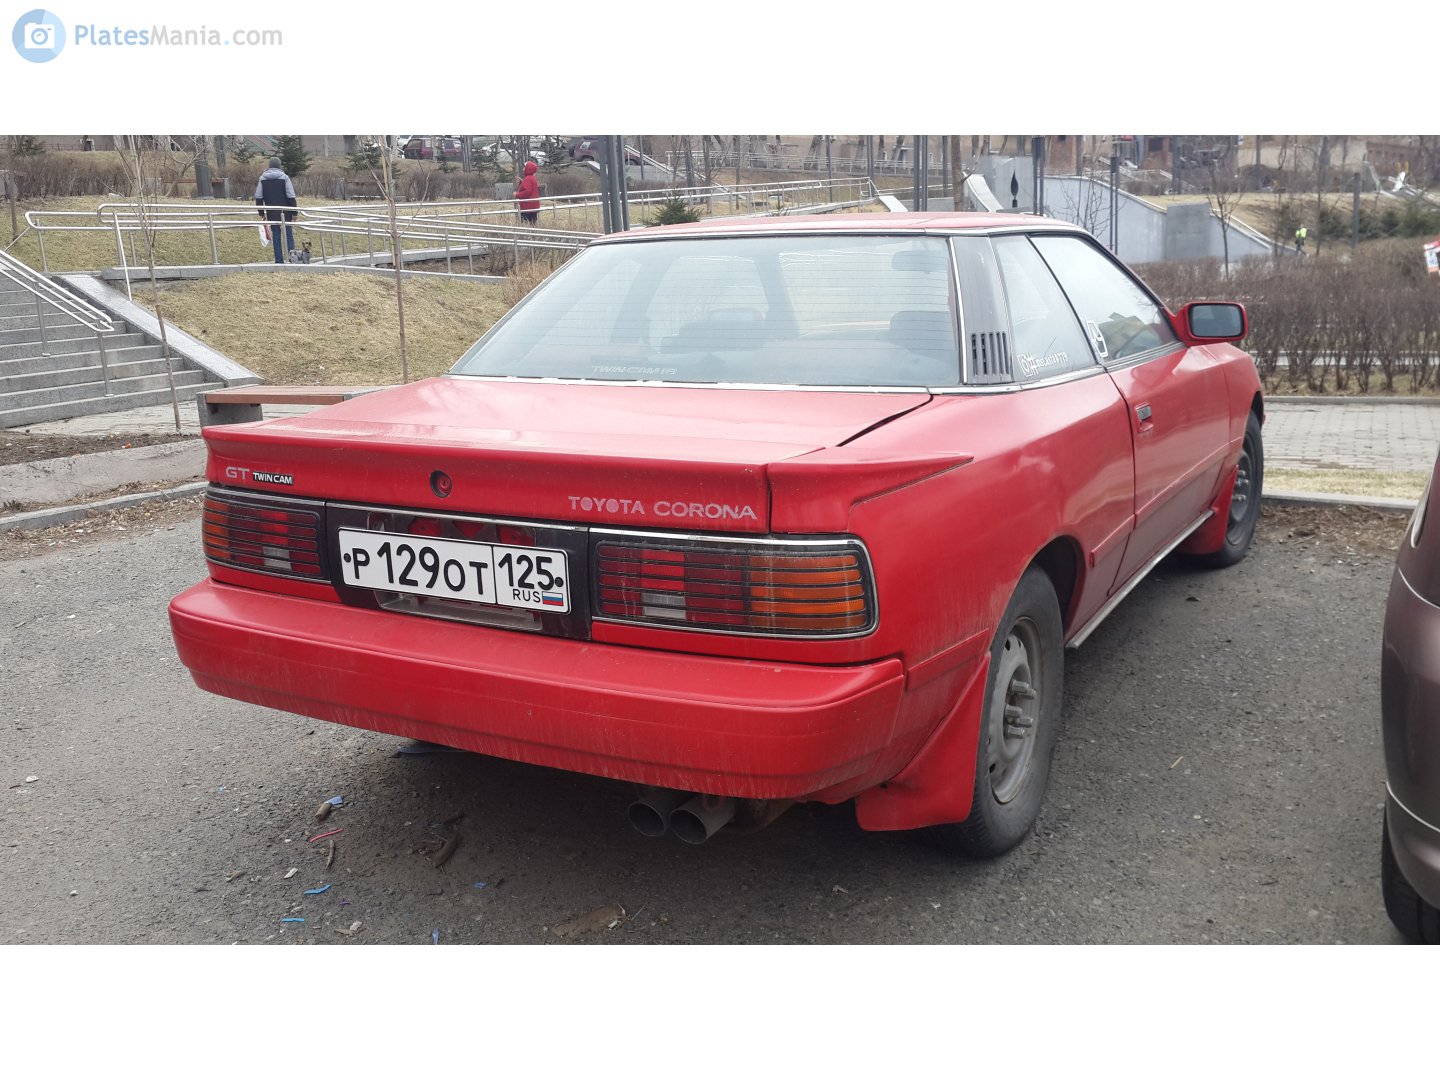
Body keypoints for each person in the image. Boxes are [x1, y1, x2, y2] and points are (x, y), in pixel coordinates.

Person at [255, 156, 298, 264]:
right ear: (279, 166)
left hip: (271, 211)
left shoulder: (262, 179)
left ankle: (278, 260)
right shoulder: (285, 177)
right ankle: (291, 259)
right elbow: (290, 195)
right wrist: (294, 212)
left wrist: (261, 213)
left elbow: (258, 197)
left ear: (269, 166)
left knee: (276, 235)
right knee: (288, 234)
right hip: (285, 211)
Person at [514, 160, 540, 225]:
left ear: (528, 169)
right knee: (533, 224)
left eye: (524, 167)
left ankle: (528, 235)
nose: (523, 169)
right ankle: (533, 234)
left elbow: (527, 192)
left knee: (525, 224)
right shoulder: (533, 178)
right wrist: (523, 182)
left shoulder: (528, 179)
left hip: (527, 207)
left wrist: (517, 195)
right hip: (533, 206)